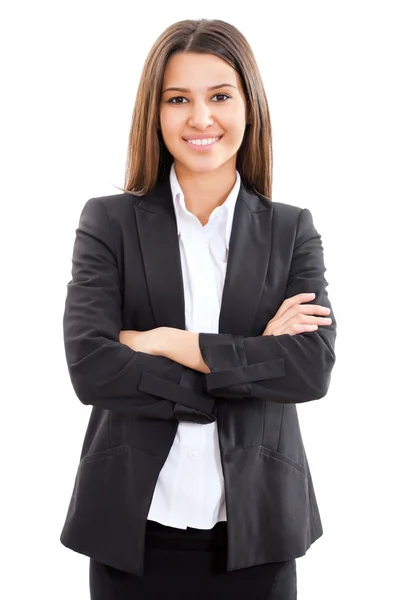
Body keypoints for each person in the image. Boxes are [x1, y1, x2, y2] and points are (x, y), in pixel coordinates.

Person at [60, 18, 337, 600]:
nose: (201, 118)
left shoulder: (291, 230)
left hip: (257, 535)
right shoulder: (108, 222)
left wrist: (161, 340)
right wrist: (253, 360)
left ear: (248, 106)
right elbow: (92, 366)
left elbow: (310, 369)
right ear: (155, 113)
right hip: (132, 536)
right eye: (178, 99)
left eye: (219, 96)